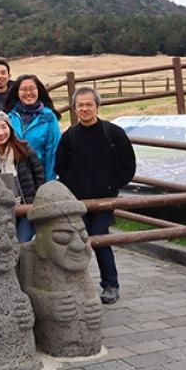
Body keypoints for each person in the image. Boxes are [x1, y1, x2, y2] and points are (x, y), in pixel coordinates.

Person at [55, 87, 136, 305]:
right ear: (74, 108)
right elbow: (61, 167)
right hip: (78, 201)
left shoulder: (113, 133)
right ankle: (77, 285)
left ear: (97, 106)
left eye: (89, 104)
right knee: (77, 241)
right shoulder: (69, 137)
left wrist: (113, 186)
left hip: (104, 200)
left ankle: (110, 284)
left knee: (100, 237)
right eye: (80, 105)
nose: (84, 108)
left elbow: (128, 165)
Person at [0, 108, 45, 241]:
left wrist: (36, 200)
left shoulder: (24, 149)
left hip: (25, 207)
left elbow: (39, 175)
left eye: (4, 127)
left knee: (22, 242)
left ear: (10, 128)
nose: (0, 132)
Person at [5, 74, 61, 181]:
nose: (28, 93)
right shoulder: (9, 116)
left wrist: (50, 182)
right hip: (15, 176)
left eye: (32, 89)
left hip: (40, 175)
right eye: (23, 89)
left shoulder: (48, 117)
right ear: (17, 92)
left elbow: (53, 152)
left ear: (38, 90)